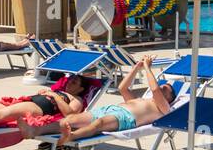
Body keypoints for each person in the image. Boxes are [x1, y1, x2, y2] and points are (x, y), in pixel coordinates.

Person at [20, 56, 175, 143]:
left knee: (99, 124)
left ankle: (72, 136)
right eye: (163, 85)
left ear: (169, 99)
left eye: (166, 89)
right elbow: (123, 88)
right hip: (110, 110)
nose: (162, 87)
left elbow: (154, 89)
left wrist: (148, 67)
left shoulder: (163, 109)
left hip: (125, 118)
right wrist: (137, 67)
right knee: (72, 118)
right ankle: (34, 130)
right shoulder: (141, 100)